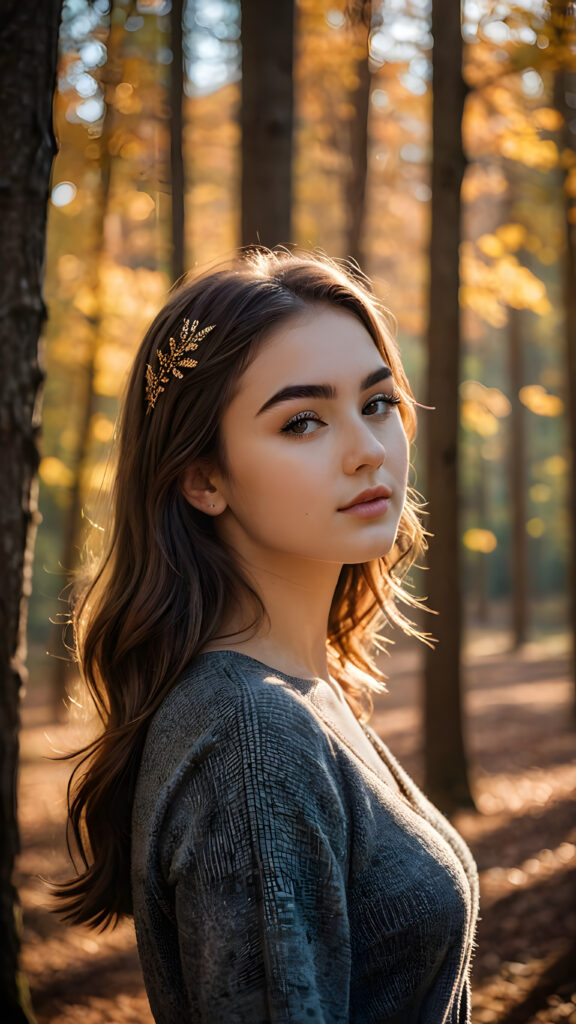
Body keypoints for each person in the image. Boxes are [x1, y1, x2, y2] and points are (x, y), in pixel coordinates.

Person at [55, 249, 478, 1023]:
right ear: (202, 479)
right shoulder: (252, 739)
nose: (367, 450)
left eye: (378, 403)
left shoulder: (305, 693)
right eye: (303, 421)